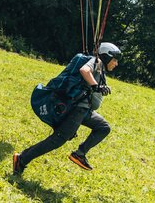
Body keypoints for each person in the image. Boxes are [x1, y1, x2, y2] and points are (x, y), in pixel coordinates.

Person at [13, 43, 121, 175]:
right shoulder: (95, 61)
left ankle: (80, 153)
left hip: (85, 110)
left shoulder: (100, 68)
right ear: (106, 56)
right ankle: (22, 159)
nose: (116, 64)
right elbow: (84, 71)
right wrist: (96, 86)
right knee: (57, 139)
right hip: (77, 109)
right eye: (115, 60)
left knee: (103, 127)